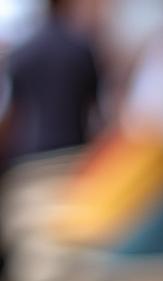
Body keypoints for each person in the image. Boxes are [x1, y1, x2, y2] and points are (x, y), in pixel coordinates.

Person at [3, 0, 100, 163]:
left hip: (30, 157)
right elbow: (94, 108)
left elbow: (13, 114)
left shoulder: (21, 55)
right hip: (74, 153)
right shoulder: (81, 49)